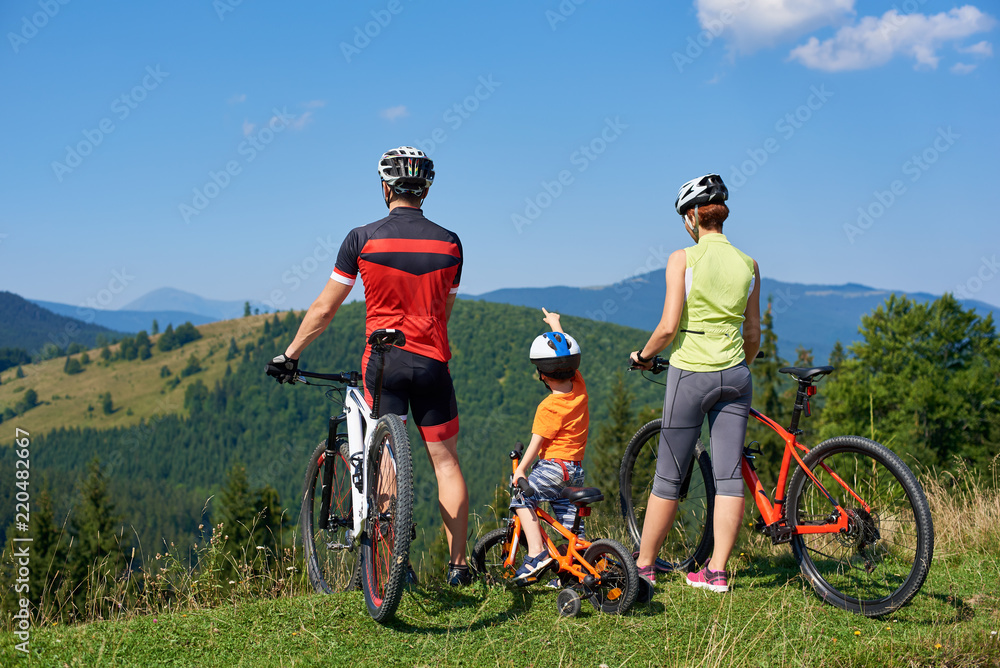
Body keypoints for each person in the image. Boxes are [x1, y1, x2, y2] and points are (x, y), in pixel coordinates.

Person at [266, 146, 472, 586]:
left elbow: (325, 309)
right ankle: (459, 568)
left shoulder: (362, 239)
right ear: (425, 190)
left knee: (388, 460)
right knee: (446, 463)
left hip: (384, 363)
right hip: (433, 362)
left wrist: (291, 354)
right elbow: (443, 312)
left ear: (385, 188)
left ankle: (394, 566)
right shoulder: (451, 243)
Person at [630, 174, 761, 593]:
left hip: (691, 373)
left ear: (692, 217)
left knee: (668, 476)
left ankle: (645, 566)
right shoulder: (749, 264)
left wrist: (643, 356)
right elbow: (753, 334)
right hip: (736, 375)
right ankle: (716, 571)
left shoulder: (682, 259)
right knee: (729, 477)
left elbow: (669, 327)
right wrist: (738, 365)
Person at [510, 308, 589, 584]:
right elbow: (564, 356)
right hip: (575, 470)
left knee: (521, 497)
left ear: (542, 375)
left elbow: (536, 444)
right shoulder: (579, 386)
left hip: (553, 468)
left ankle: (536, 553)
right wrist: (556, 325)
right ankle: (579, 568)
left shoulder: (549, 406)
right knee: (571, 528)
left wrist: (521, 470)